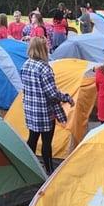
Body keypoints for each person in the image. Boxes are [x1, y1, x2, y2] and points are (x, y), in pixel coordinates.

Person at [21, 37, 74, 175]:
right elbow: (52, 94)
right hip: (44, 112)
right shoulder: (45, 68)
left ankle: (28, 168)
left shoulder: (26, 64)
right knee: (46, 142)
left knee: (32, 138)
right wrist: (66, 97)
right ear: (42, 49)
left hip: (30, 109)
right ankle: (49, 171)